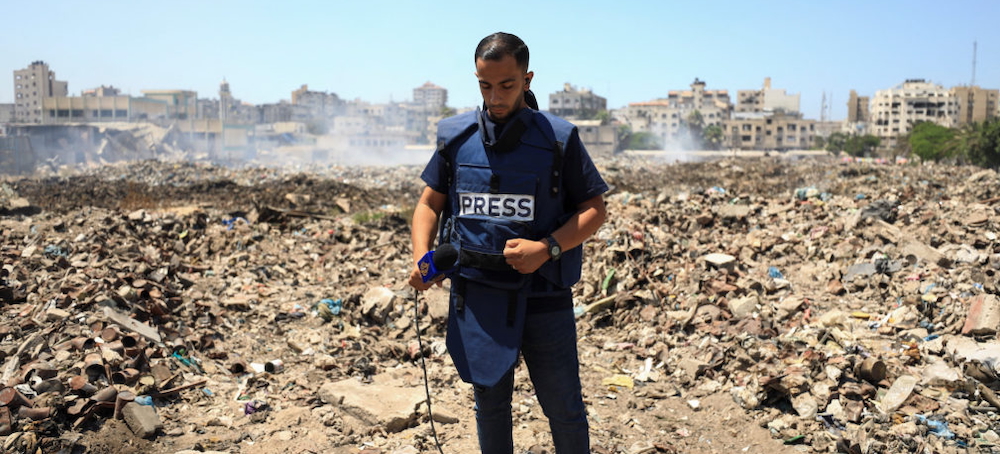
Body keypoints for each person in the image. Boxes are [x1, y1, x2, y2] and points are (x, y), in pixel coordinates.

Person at [409, 32, 608, 454]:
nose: (495, 97)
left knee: (564, 407)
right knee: (490, 405)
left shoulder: (558, 139)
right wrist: (422, 258)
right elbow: (429, 203)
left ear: (528, 79)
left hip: (543, 297)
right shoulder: (456, 137)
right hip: (477, 296)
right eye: (485, 85)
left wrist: (547, 249)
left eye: (507, 85)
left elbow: (594, 210)